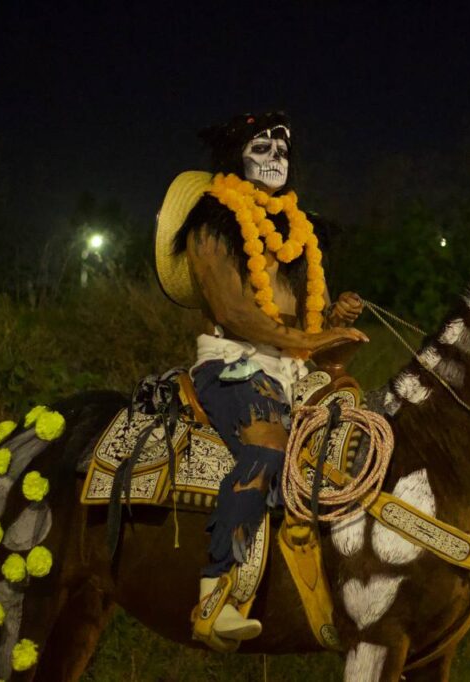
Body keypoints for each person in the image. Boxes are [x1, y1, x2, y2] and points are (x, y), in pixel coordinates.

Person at [154, 112, 366, 643]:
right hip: (233, 365)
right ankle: (216, 594)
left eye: (283, 148)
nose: (276, 156)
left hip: (292, 367)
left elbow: (300, 324)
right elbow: (237, 313)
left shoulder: (298, 232)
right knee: (266, 445)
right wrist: (310, 341)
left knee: (356, 434)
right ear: (235, 155)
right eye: (262, 145)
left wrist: (332, 326)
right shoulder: (212, 221)